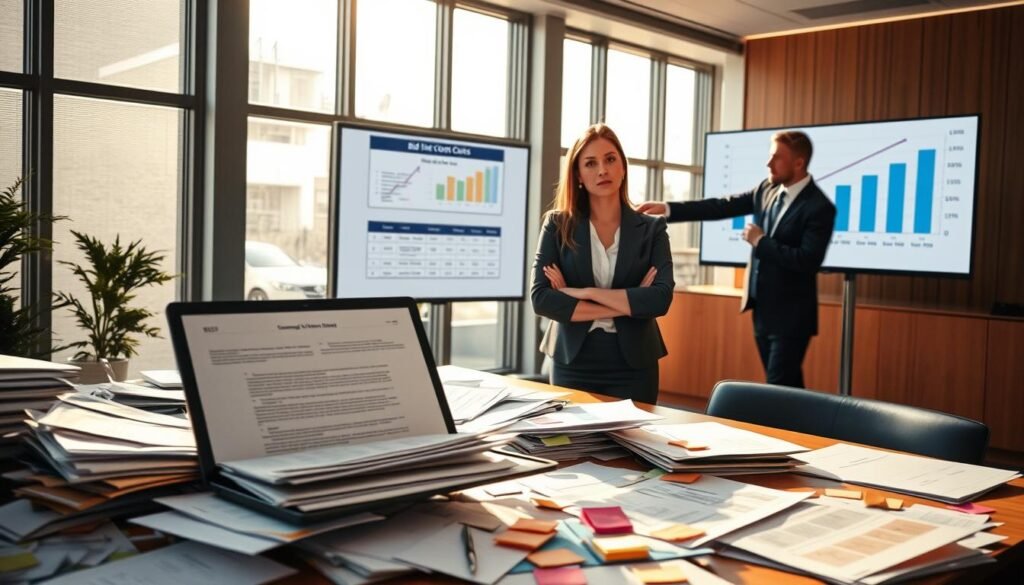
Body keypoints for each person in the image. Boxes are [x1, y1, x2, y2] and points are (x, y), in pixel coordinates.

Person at [637, 131, 835, 388]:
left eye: (776, 157)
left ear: (799, 163)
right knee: (789, 388)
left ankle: (779, 429)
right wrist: (669, 209)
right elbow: (721, 206)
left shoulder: (819, 207)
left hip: (792, 316)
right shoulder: (768, 188)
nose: (768, 164)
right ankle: (804, 429)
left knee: (778, 387)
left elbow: (807, 260)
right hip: (762, 309)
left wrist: (761, 242)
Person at [531, 123, 674, 404]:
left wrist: (583, 292)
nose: (602, 170)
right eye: (590, 163)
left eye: (610, 159)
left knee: (633, 445)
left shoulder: (652, 229)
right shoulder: (557, 225)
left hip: (634, 364)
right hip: (572, 361)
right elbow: (542, 299)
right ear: (578, 175)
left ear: (622, 167)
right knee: (571, 445)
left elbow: (659, 300)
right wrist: (630, 303)